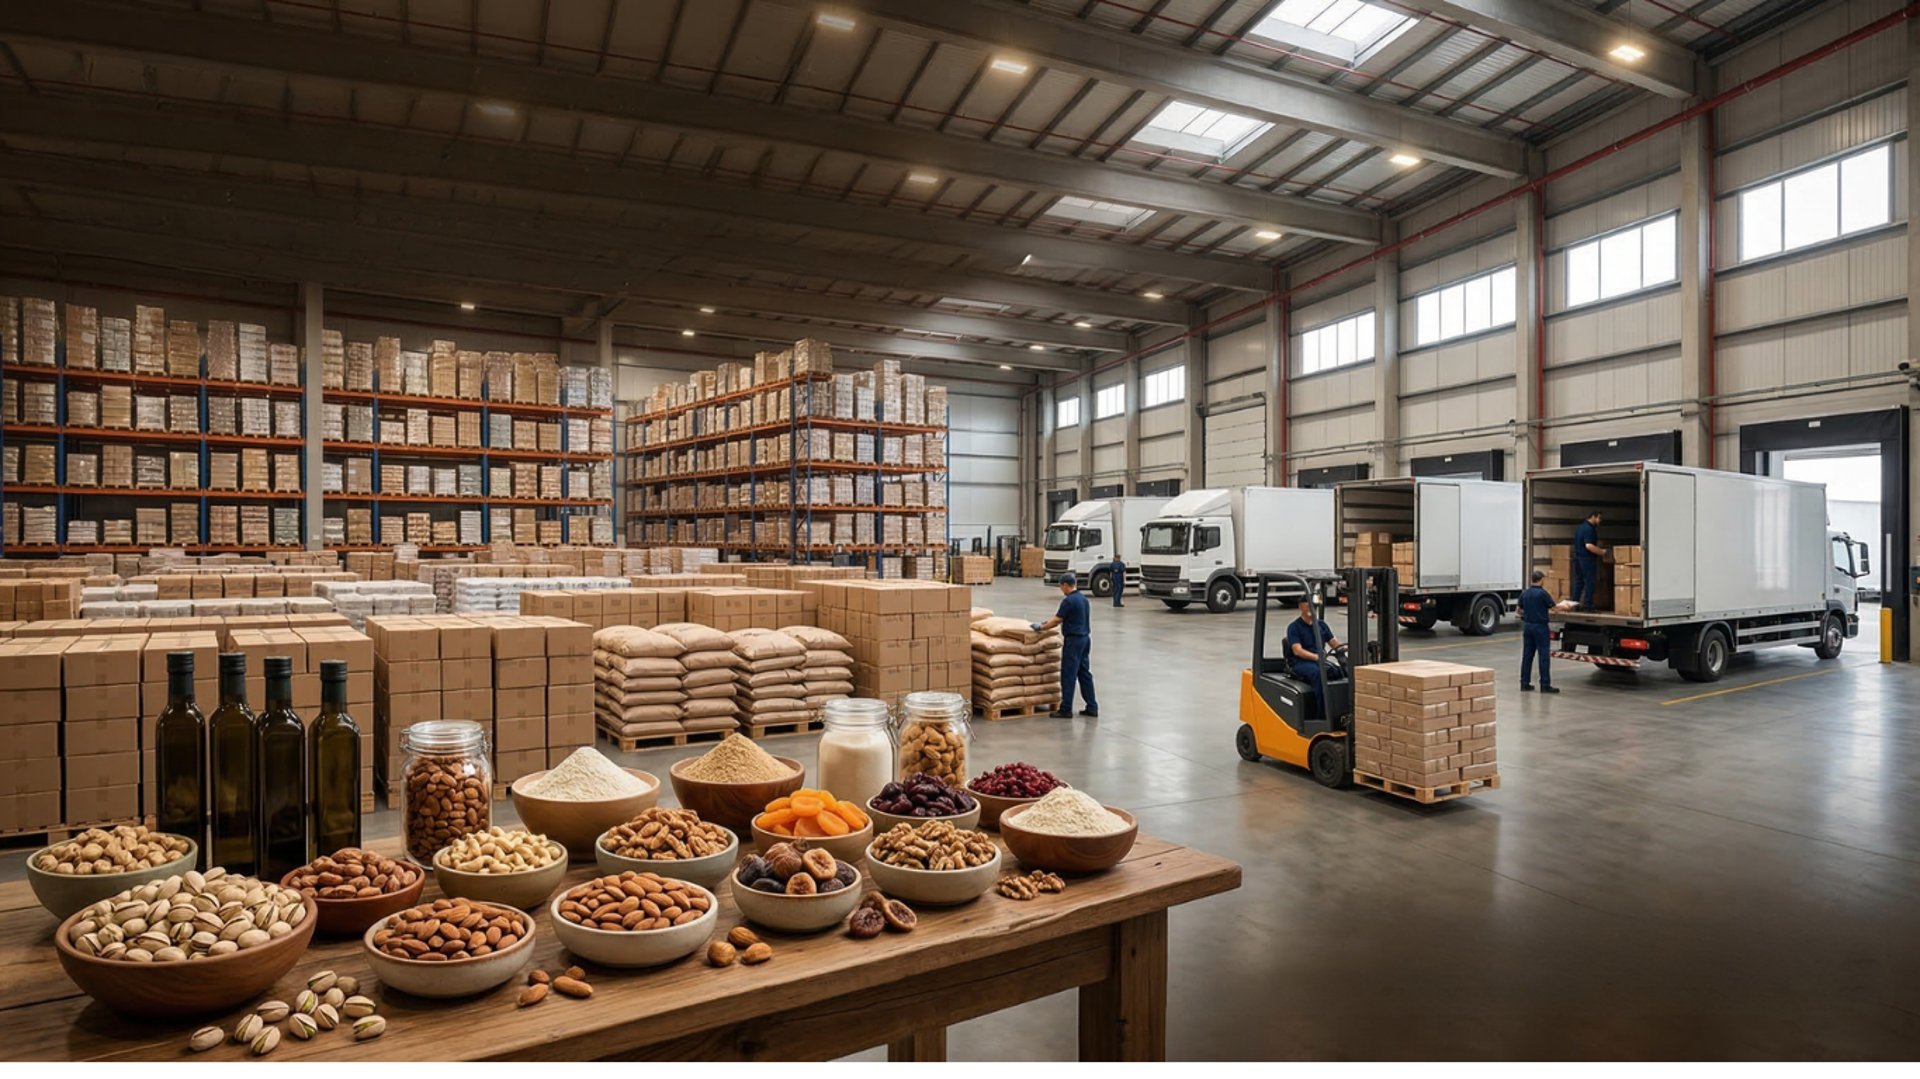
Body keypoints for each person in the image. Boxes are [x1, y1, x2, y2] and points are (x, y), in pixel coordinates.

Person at [1033, 573, 1097, 718]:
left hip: (1073, 641)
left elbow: (1056, 620)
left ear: (1065, 585)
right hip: (1085, 639)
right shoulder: (1083, 599)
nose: (1061, 589)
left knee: (1069, 675)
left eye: (1061, 586)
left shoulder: (1068, 601)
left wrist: (1042, 627)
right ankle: (1092, 706)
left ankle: (1066, 709)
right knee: (1084, 673)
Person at [1519, 570, 1575, 693]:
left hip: (1528, 626)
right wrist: (1566, 606)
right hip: (1540, 627)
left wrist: (1529, 612)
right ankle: (1545, 685)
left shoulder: (1525, 593)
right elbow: (1554, 608)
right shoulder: (1542, 594)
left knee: (1527, 656)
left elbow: (1519, 610)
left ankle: (1524, 683)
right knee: (1543, 656)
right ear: (1541, 580)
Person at [1285, 597, 1339, 713]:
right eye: (1308, 605)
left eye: (1314, 605)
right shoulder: (1294, 627)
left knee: (1341, 671)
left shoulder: (1321, 625)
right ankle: (1323, 714)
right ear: (1300, 607)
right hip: (1300, 663)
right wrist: (1316, 657)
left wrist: (1348, 650)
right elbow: (1297, 650)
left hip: (1318, 661)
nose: (1312, 608)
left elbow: (1334, 643)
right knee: (1318, 674)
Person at [1571, 510, 1608, 611]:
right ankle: (1588, 606)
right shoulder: (1589, 529)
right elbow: (1589, 545)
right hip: (1586, 559)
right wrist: (1602, 552)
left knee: (1578, 581)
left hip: (1577, 558)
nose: (1600, 521)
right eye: (1599, 518)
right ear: (1593, 517)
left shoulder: (1580, 528)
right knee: (1589, 582)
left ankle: (1574, 604)